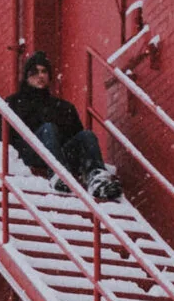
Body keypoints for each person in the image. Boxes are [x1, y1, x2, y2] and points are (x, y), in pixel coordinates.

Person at [7, 49, 112, 194]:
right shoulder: (14, 103)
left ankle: (97, 178)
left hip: (61, 156)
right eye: (35, 72)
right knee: (48, 129)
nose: (40, 75)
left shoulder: (64, 107)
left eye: (44, 71)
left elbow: (77, 138)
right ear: (26, 77)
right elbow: (3, 138)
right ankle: (58, 173)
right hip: (29, 153)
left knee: (87, 135)